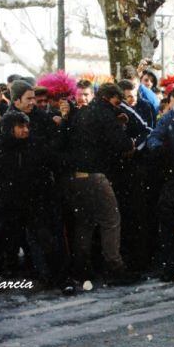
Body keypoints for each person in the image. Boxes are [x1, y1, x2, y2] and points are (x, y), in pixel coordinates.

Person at [0, 111, 74, 293]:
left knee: (48, 243)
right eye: (20, 126)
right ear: (9, 129)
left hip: (35, 203)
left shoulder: (36, 146)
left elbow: (57, 161)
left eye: (27, 126)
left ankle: (63, 280)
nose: (25, 130)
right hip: (9, 205)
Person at [65, 83, 136, 283]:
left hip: (76, 175)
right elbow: (121, 144)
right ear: (109, 98)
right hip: (96, 174)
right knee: (110, 221)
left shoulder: (82, 112)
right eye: (117, 102)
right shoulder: (106, 114)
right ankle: (115, 268)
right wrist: (123, 130)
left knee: (85, 223)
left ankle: (82, 268)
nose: (118, 106)